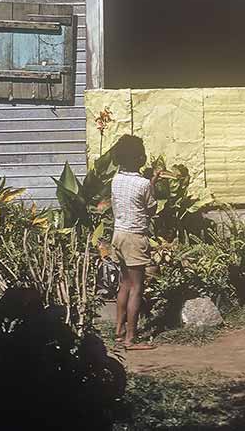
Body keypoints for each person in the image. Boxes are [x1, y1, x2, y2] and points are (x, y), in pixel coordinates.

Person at [108, 134, 157, 351]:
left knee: (124, 284)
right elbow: (151, 208)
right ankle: (130, 339)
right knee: (137, 287)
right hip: (135, 237)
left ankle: (118, 332)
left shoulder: (116, 180)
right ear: (139, 157)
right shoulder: (144, 184)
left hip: (118, 235)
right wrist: (153, 183)